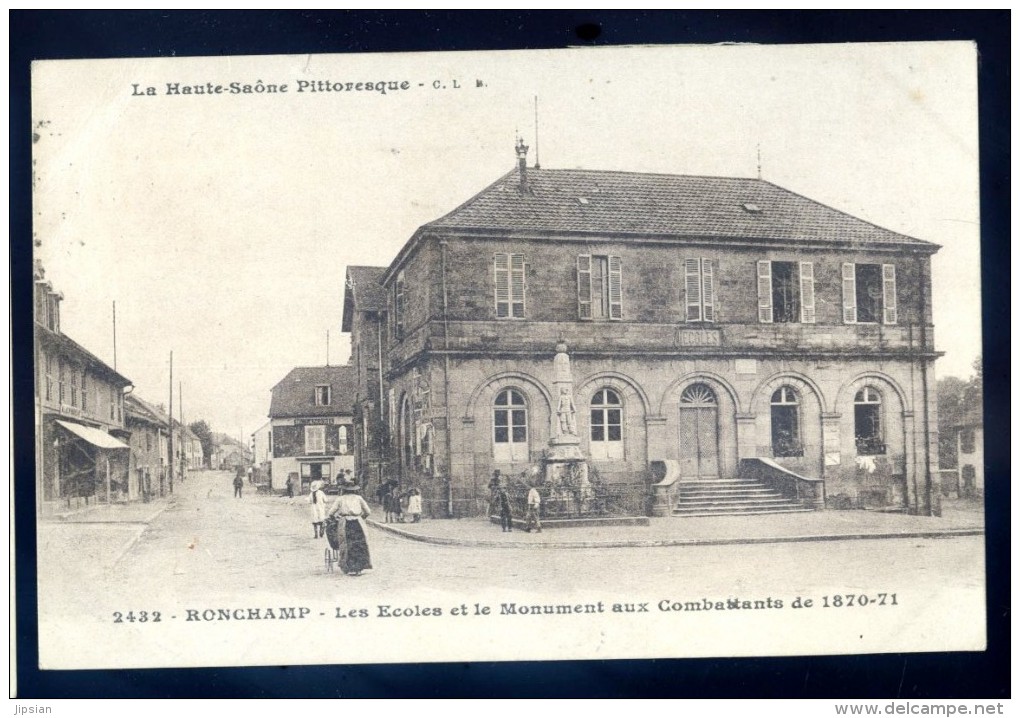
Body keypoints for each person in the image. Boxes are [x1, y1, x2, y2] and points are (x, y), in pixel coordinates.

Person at [327, 479, 373, 576]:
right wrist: (361, 518)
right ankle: (359, 568)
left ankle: (348, 567)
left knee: (347, 544)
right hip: (358, 523)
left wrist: (335, 518)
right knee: (359, 544)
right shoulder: (359, 498)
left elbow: (331, 513)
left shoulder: (340, 499)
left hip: (345, 523)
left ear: (344, 490)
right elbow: (368, 511)